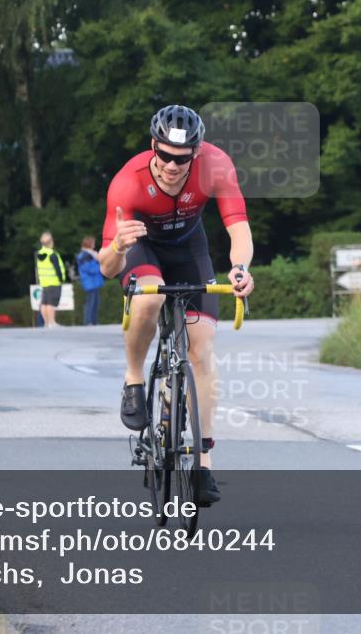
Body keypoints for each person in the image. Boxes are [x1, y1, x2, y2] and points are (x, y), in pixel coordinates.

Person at [98, 104, 254, 506]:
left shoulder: (216, 166)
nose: (171, 165)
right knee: (148, 301)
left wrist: (239, 268)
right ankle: (134, 378)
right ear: (153, 146)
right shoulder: (127, 183)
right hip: (142, 247)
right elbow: (106, 267)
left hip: (190, 248)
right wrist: (119, 246)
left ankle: (203, 464)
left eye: (182, 159)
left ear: (197, 154)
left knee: (202, 350)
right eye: (164, 155)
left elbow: (239, 227)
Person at [36, 232, 66, 328]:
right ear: (50, 242)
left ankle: (46, 322)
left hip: (44, 282)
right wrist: (61, 278)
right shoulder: (52, 254)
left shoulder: (39, 254)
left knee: (44, 303)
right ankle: (52, 322)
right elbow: (57, 268)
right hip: (53, 281)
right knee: (50, 303)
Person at [76, 236, 104, 326]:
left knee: (95, 303)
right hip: (90, 282)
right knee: (91, 303)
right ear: (89, 244)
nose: (94, 245)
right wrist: (100, 267)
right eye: (93, 243)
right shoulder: (85, 255)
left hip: (93, 282)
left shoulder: (90, 254)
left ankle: (94, 321)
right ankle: (88, 321)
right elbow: (90, 269)